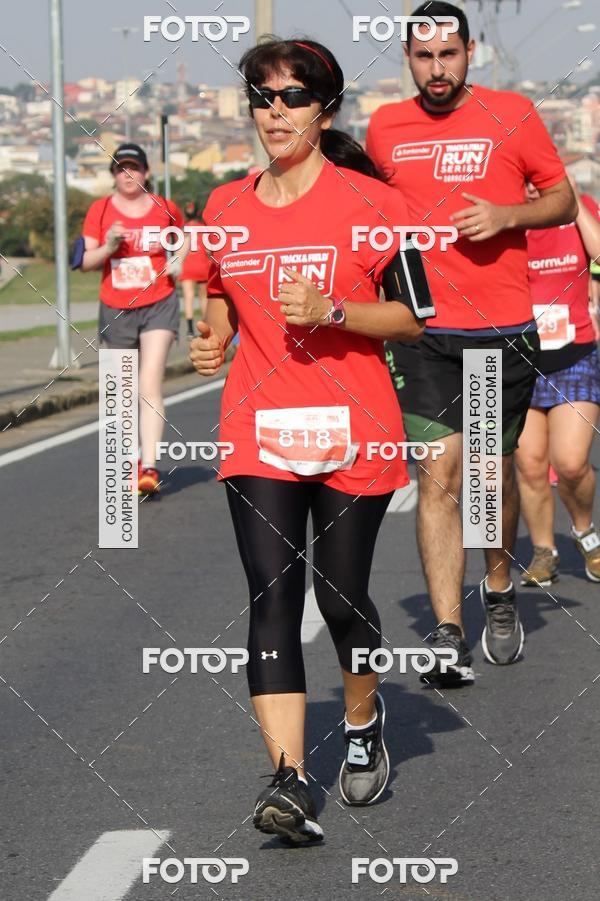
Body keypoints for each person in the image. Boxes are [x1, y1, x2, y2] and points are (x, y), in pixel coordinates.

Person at [190, 38, 429, 844]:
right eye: (262, 97)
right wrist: (213, 335)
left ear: (326, 108)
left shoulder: (377, 205)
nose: (275, 112)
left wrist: (333, 311)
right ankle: (291, 782)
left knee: (339, 596)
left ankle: (362, 720)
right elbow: (221, 295)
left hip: (354, 428)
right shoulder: (223, 208)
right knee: (272, 597)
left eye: (292, 97)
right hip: (257, 429)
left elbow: (414, 316)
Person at [366, 1, 577, 680]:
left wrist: (508, 213)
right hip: (423, 331)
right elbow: (369, 221)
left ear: (469, 51)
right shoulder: (382, 127)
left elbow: (563, 199)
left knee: (489, 477)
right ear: (407, 57)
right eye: (424, 57)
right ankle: (447, 628)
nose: (437, 68)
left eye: (448, 55)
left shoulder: (512, 113)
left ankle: (497, 584)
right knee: (438, 474)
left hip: (498, 328)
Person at [81, 143, 187, 495]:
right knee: (122, 393)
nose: (127, 175)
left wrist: (177, 260)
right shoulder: (100, 210)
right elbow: (84, 261)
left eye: (134, 168)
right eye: (120, 169)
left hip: (158, 302)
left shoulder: (164, 208)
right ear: (113, 175)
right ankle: (127, 463)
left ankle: (150, 467)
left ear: (145, 173)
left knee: (149, 384)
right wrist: (109, 247)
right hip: (115, 306)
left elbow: (183, 238)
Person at [516, 177, 600, 585]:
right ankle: (543, 551)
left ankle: (584, 531)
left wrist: (570, 199)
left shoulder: (577, 211)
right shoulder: (508, 221)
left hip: (576, 354)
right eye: (524, 181)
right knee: (531, 466)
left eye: (540, 180)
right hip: (519, 360)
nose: (532, 189)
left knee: (570, 461)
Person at [179, 200, 210, 339]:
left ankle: (190, 330)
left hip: (187, 265)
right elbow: (209, 249)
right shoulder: (203, 227)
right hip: (202, 264)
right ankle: (204, 327)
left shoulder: (183, 229)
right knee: (203, 297)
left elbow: (179, 249)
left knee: (188, 297)